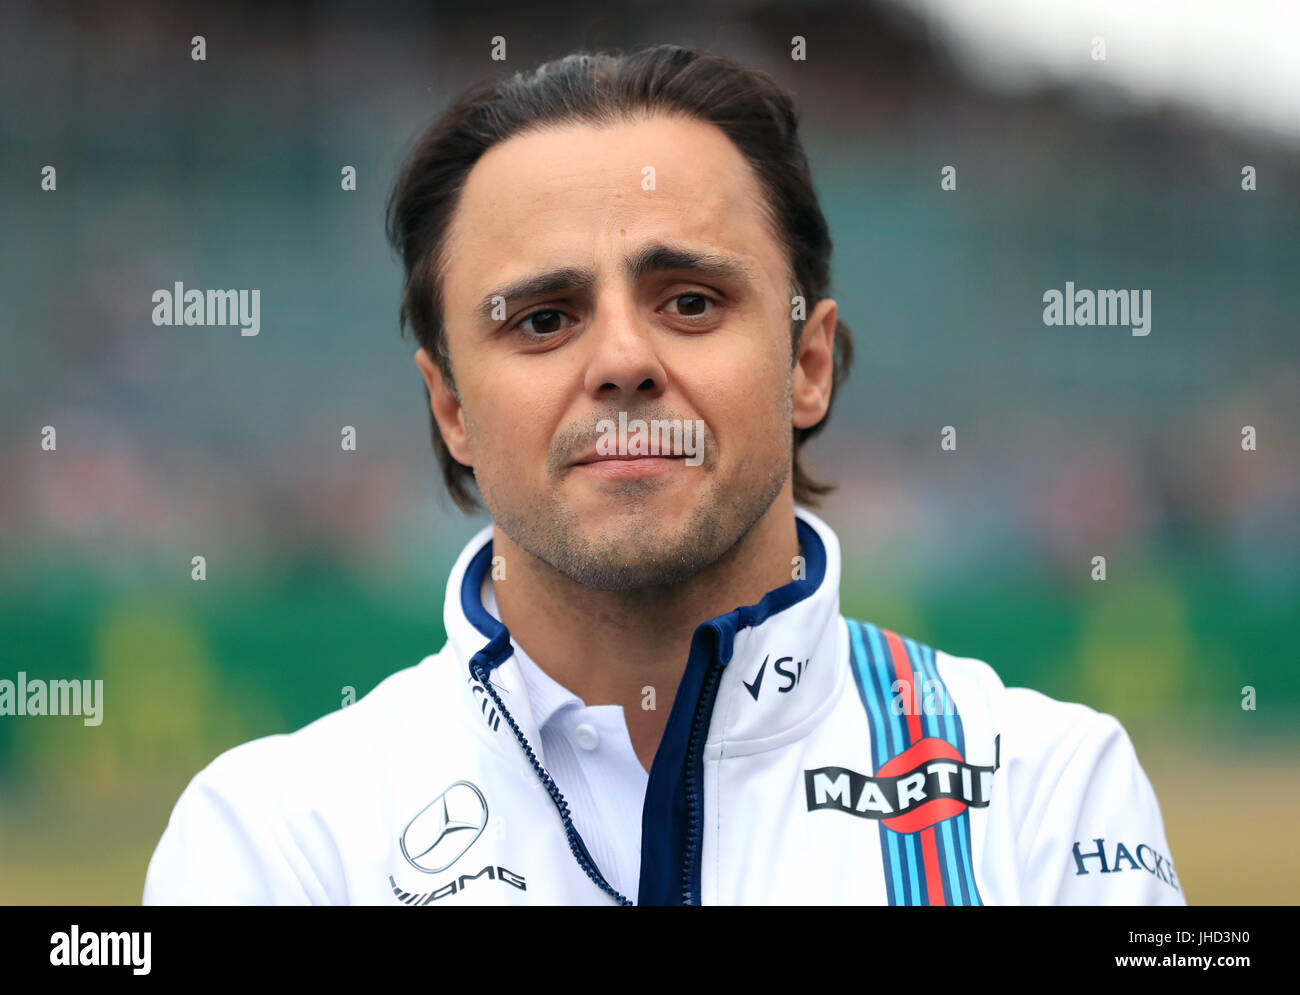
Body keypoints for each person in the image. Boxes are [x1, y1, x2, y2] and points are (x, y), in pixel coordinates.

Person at [143, 45, 1183, 906]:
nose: (622, 360)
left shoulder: (1050, 793)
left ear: (806, 363)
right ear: (450, 407)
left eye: (689, 301)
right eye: (543, 319)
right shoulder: (277, 840)